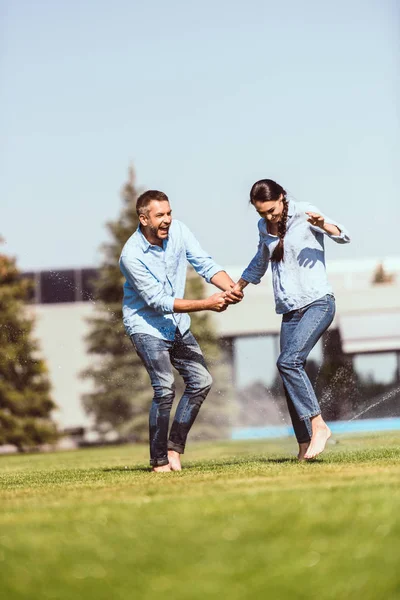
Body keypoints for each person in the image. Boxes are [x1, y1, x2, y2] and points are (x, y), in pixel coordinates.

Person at [119, 190, 243, 472]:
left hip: (177, 326)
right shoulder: (131, 256)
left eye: (169, 213)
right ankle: (158, 460)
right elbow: (158, 302)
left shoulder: (180, 232)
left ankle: (174, 449)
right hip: (146, 326)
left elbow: (205, 264)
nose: (167, 220)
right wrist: (207, 303)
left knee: (201, 381)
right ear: (144, 218)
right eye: (160, 215)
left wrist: (230, 287)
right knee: (164, 389)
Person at [228, 179, 350, 460]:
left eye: (271, 210)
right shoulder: (264, 228)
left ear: (282, 197)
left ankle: (318, 425)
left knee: (288, 361)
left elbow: (344, 235)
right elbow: (260, 261)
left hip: (318, 303)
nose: (269, 216)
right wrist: (239, 286)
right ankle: (304, 447)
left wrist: (323, 225)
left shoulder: (305, 211)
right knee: (289, 376)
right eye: (262, 213)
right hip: (289, 311)